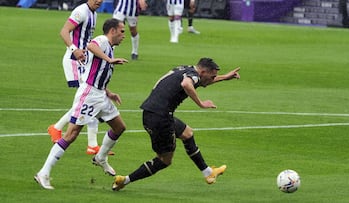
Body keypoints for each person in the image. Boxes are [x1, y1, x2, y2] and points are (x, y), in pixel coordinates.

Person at [112, 58, 240, 191]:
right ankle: (124, 180)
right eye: (212, 76)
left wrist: (225, 77)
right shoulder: (193, 77)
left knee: (187, 133)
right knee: (164, 160)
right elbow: (186, 84)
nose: (213, 79)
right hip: (160, 118)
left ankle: (208, 173)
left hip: (152, 113)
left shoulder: (187, 69)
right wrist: (201, 103)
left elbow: (195, 81)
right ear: (202, 72)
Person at [35, 18, 128, 190]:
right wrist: (109, 59)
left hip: (101, 94)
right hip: (89, 95)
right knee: (71, 135)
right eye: (122, 31)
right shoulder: (102, 40)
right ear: (112, 31)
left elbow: (97, 72)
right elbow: (91, 45)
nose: (124, 35)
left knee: (119, 127)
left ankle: (100, 157)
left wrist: (109, 93)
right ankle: (43, 173)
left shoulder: (110, 48)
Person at [47, 0, 114, 156]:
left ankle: (88, 143)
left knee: (88, 100)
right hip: (73, 61)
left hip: (82, 62)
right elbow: (64, 31)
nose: (99, 1)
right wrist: (74, 49)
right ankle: (58, 129)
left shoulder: (93, 13)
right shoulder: (81, 11)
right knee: (88, 99)